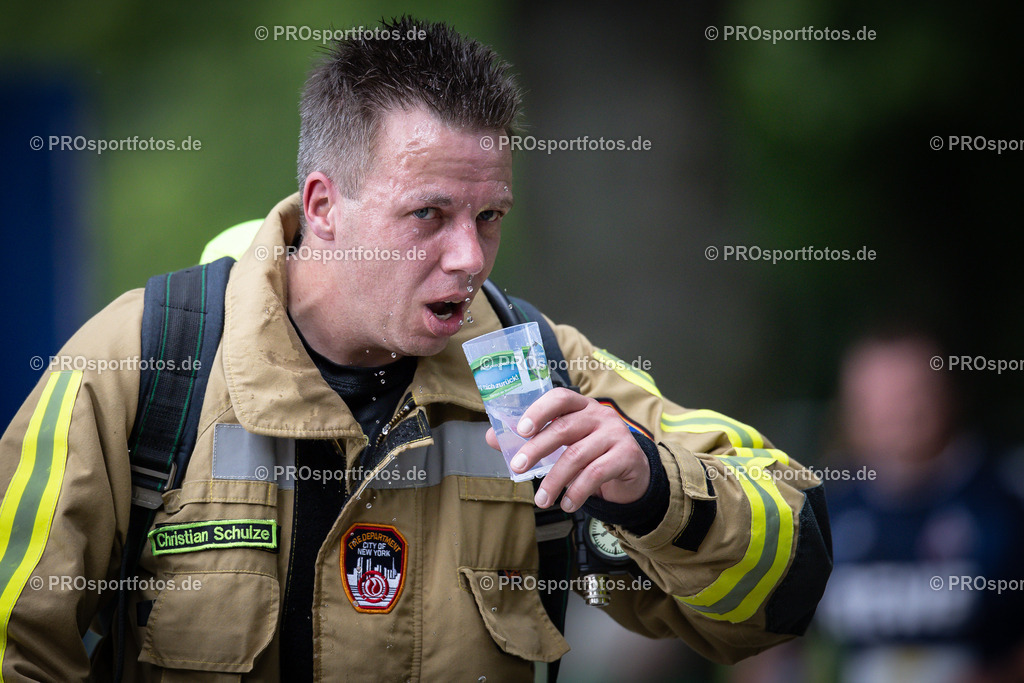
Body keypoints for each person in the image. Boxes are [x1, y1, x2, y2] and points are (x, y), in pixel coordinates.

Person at [0, 16, 831, 681]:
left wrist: (651, 488)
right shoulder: (143, 366)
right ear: (324, 205)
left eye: (490, 217)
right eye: (428, 214)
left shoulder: (539, 370)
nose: (469, 258)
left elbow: (782, 593)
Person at [812, 329, 1024, 682]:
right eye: (876, 397)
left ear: (950, 393)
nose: (897, 412)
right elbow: (773, 644)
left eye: (910, 393)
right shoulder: (823, 515)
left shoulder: (1006, 502)